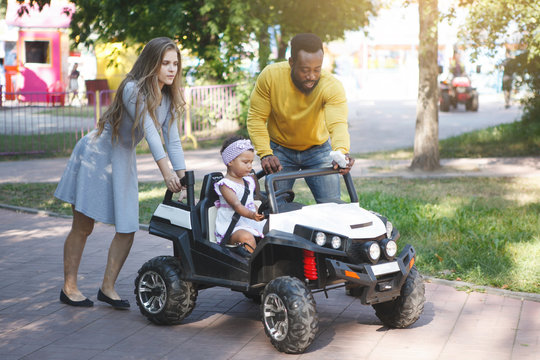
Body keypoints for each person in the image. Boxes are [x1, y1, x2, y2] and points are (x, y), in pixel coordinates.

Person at [54, 37, 188, 309]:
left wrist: (184, 180)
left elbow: (172, 140)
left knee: (127, 227)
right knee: (83, 226)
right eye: (165, 63)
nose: (172, 69)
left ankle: (108, 287)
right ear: (152, 63)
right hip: (96, 155)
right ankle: (69, 288)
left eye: (175, 64)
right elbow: (150, 131)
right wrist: (166, 174)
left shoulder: (169, 97)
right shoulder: (131, 88)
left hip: (123, 158)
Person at [247, 33, 354, 204]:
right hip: (280, 150)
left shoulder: (331, 86)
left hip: (318, 150)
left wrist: (341, 151)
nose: (311, 76)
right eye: (305, 70)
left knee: (333, 207)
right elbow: (256, 118)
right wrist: (265, 154)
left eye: (317, 69)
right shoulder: (271, 77)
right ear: (291, 63)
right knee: (277, 208)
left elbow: (338, 123)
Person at [214, 135, 266, 253]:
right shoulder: (225, 185)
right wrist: (252, 215)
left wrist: (257, 211)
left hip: (248, 221)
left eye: (251, 162)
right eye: (245, 162)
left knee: (273, 228)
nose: (250, 166)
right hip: (232, 226)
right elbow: (237, 206)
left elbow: (249, 202)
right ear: (230, 161)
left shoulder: (248, 181)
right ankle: (252, 266)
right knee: (246, 238)